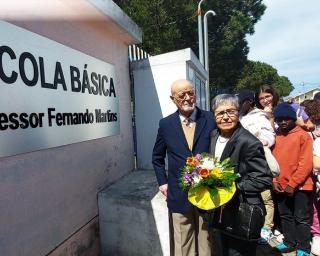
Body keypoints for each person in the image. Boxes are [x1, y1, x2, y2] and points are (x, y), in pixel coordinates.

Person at [152, 79, 215, 256]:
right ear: (173, 99)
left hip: (207, 191)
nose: (188, 98)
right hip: (178, 192)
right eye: (182, 95)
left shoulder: (210, 118)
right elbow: (157, 157)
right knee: (182, 241)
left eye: (191, 93)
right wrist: (162, 183)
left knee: (206, 239)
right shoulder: (165, 124)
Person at [210, 94, 272, 256]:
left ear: (239, 113)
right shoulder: (214, 136)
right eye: (220, 113)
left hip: (241, 210)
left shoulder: (249, 142)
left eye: (231, 111)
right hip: (219, 212)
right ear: (214, 115)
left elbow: (263, 178)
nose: (225, 117)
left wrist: (232, 188)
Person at [272, 103, 313, 256]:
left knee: (301, 218)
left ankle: (303, 248)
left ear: (292, 119)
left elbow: (306, 164)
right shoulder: (276, 135)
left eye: (286, 119)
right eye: (279, 120)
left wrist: (293, 184)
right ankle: (290, 242)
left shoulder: (303, 135)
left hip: (301, 186)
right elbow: (272, 162)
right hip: (281, 185)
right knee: (285, 215)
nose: (283, 122)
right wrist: (274, 180)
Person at [237, 89, 277, 244]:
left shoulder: (259, 116)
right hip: (244, 165)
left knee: (266, 197)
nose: (239, 105)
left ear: (250, 102)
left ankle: (267, 229)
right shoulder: (240, 117)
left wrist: (261, 142)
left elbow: (270, 135)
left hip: (259, 163)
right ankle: (252, 226)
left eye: (241, 102)